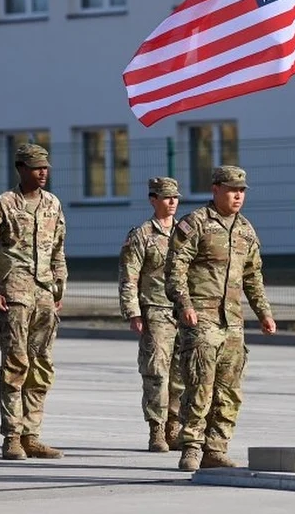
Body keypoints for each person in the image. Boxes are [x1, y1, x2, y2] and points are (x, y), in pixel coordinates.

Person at [166, 165, 277, 472]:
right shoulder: (195, 223)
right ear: (215, 190)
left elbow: (253, 277)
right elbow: (175, 269)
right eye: (231, 190)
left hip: (233, 321)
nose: (237, 196)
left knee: (229, 390)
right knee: (200, 384)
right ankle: (191, 447)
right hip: (201, 317)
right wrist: (184, 304)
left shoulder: (245, 230)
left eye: (241, 191)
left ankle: (216, 448)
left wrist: (264, 313)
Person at [0, 143, 68, 460]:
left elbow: (58, 251)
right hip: (14, 295)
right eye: (36, 167)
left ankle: (32, 434)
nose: (43, 173)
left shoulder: (52, 204)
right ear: (21, 169)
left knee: (41, 365)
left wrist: (58, 290)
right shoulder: (3, 204)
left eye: (45, 167)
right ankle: (12, 436)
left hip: (44, 295)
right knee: (15, 364)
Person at [118, 176, 185, 452]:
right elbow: (129, 276)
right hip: (155, 310)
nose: (172, 202)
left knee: (181, 373)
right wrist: (133, 313)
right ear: (153, 200)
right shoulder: (142, 235)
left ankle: (174, 427)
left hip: (183, 311)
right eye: (166, 197)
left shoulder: (186, 232)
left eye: (175, 197)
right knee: (157, 372)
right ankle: (156, 429)